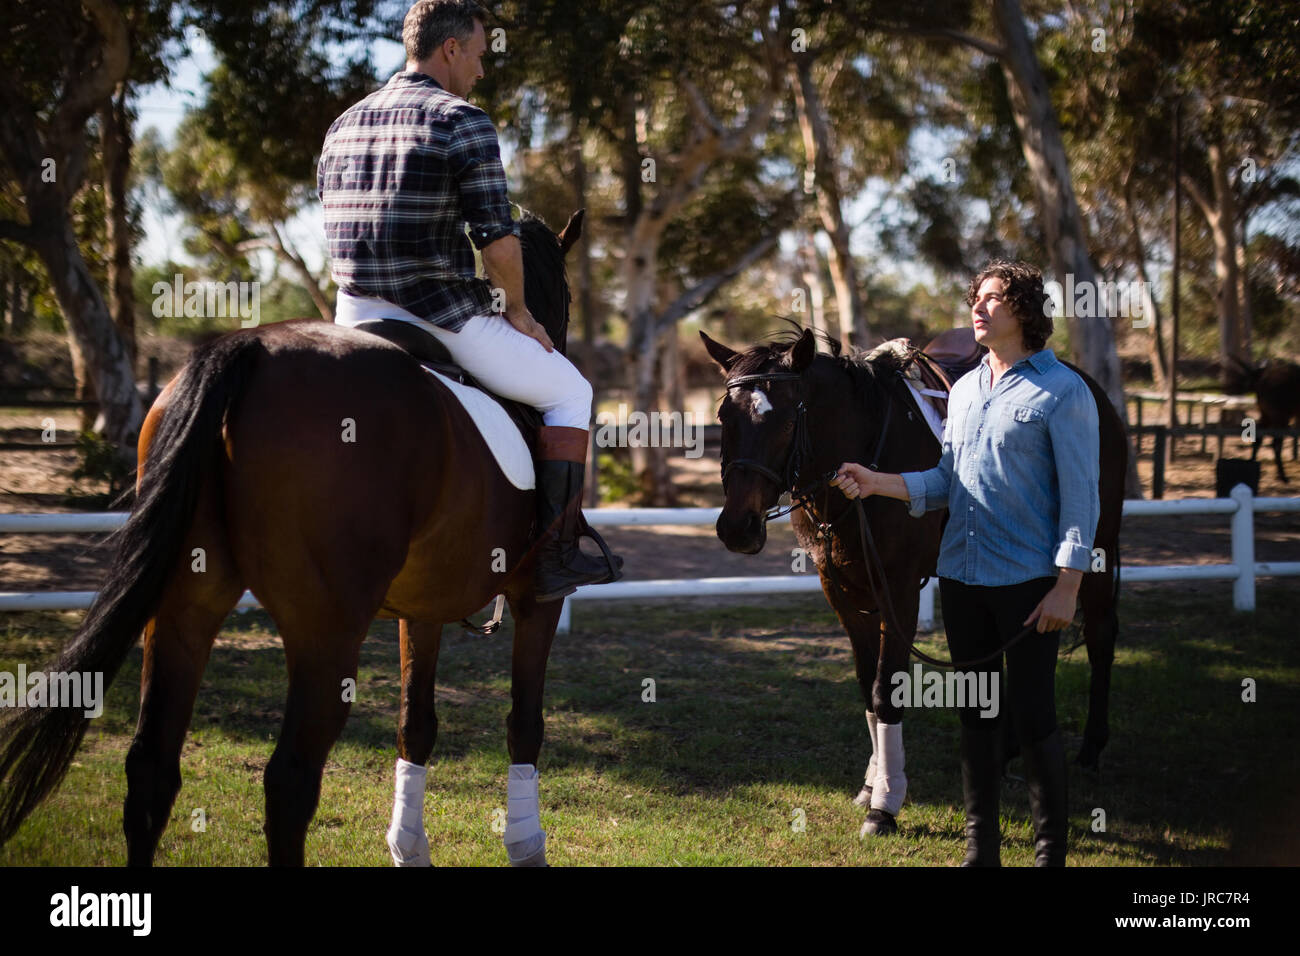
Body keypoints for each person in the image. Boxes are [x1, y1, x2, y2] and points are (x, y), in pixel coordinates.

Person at [317, 0, 621, 602]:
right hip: (439, 314)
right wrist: (518, 311)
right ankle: (557, 553)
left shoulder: (344, 122)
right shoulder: (462, 120)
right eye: (479, 55)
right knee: (571, 391)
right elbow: (498, 240)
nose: (482, 70)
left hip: (352, 316)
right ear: (451, 48)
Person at [830, 260, 1100, 866]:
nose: (978, 308)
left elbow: (1083, 496)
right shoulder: (968, 388)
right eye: (975, 297)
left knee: (1033, 720)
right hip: (962, 578)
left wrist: (1067, 586)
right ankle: (982, 852)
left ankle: (1049, 853)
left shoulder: (1062, 391)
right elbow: (946, 483)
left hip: (1031, 582)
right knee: (977, 717)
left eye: (994, 299)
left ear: (1025, 311)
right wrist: (876, 481)